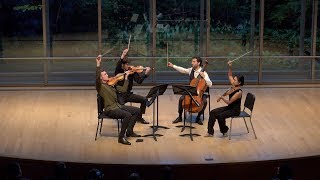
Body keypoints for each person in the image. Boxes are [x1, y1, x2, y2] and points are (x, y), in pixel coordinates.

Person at [96, 55, 141, 145]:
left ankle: (129, 131)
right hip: (110, 110)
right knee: (127, 115)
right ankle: (121, 137)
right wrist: (98, 64)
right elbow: (97, 78)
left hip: (118, 106)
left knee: (137, 111)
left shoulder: (111, 83)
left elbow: (123, 90)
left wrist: (126, 78)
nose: (107, 75)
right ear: (101, 78)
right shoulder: (100, 87)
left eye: (106, 73)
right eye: (105, 74)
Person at [167, 57, 212, 125]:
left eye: (194, 61)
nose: (192, 63)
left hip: (200, 93)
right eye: (192, 61)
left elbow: (210, 84)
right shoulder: (191, 70)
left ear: (198, 63)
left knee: (204, 101)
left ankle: (198, 117)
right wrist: (173, 66)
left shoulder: (204, 73)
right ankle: (180, 117)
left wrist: (204, 77)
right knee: (181, 99)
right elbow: (183, 70)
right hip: (191, 92)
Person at [206, 60, 244, 137]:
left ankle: (224, 131)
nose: (233, 80)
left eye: (235, 80)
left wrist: (222, 97)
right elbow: (230, 75)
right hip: (229, 108)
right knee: (213, 112)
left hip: (234, 110)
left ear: (239, 83)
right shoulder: (233, 85)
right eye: (234, 79)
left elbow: (229, 102)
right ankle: (210, 132)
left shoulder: (238, 92)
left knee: (220, 116)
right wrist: (230, 66)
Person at [114, 48, 152, 124]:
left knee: (144, 99)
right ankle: (124, 120)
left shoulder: (132, 71)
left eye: (128, 64)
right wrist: (123, 54)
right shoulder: (119, 71)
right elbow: (119, 64)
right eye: (127, 64)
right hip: (119, 95)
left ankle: (139, 117)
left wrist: (146, 74)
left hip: (128, 94)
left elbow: (139, 81)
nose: (129, 66)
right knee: (121, 107)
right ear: (122, 65)